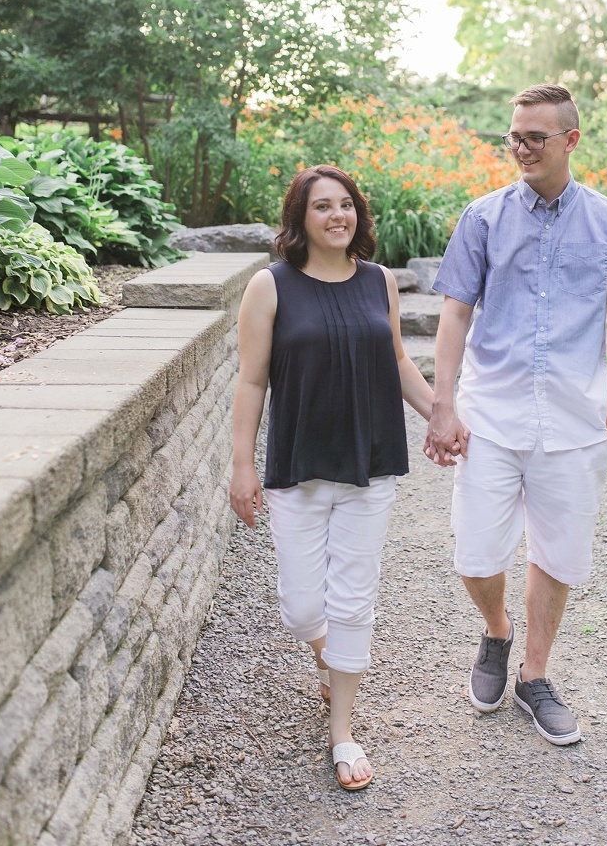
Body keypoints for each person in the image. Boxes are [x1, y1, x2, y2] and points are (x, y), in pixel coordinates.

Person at [425, 84, 607, 746]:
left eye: (535, 137)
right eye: (514, 136)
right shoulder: (483, 217)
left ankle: (534, 675)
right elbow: (454, 312)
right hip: (490, 412)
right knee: (475, 552)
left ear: (570, 141)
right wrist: (443, 403)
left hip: (572, 418)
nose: (521, 148)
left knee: (556, 555)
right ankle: (497, 631)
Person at [229, 165, 435, 790]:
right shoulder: (271, 286)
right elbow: (251, 380)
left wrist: (441, 415)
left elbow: (397, 358)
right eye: (322, 207)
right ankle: (330, 660)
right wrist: (241, 466)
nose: (337, 216)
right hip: (299, 466)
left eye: (346, 205)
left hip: (369, 465)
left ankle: (342, 733)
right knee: (301, 608)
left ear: (358, 215)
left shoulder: (378, 282)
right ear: (300, 219)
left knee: (352, 600)